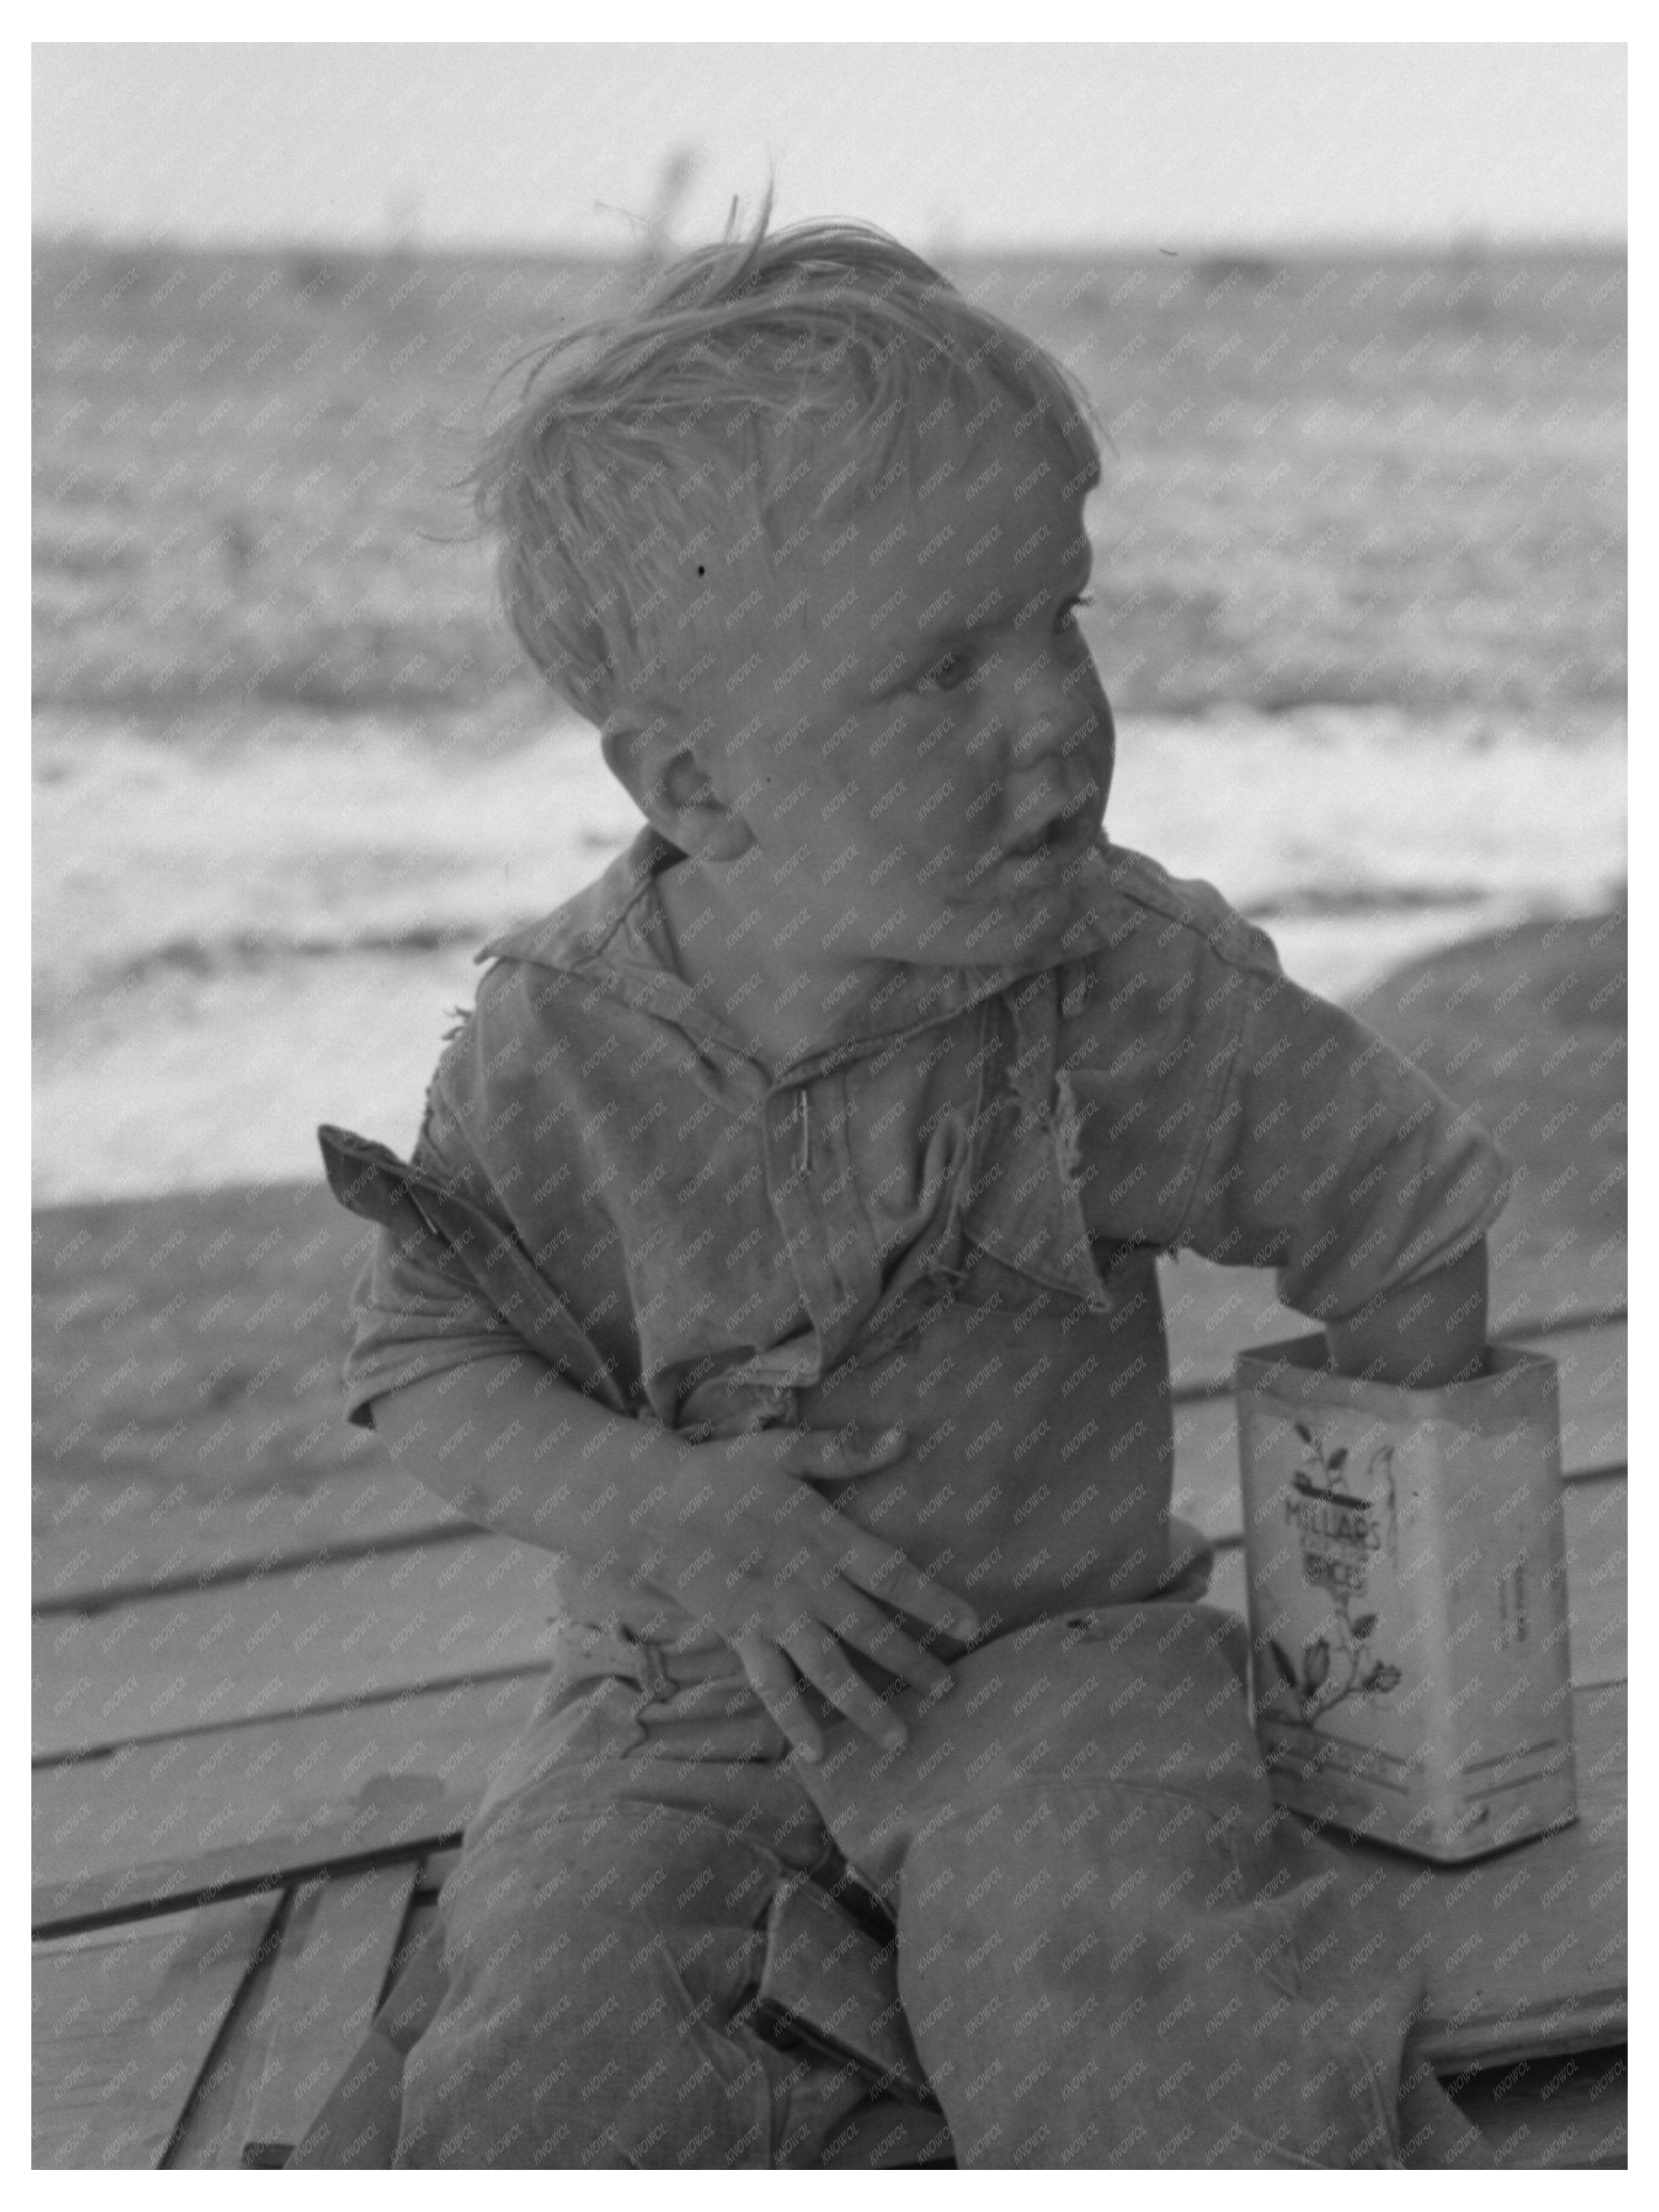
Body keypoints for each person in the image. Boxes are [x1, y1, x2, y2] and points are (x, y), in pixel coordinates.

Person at [316, 208, 1507, 2168]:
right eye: (943, 668)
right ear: (696, 792)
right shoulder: (559, 1042)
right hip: (683, 1707)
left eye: (1067, 616)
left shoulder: (1126, 987)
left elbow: (1394, 1210)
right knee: (552, 2042)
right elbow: (432, 1350)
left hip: (1055, 1671)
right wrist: (666, 1511)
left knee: (1134, 2000)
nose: (1057, 715)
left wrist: (1416, 1654)